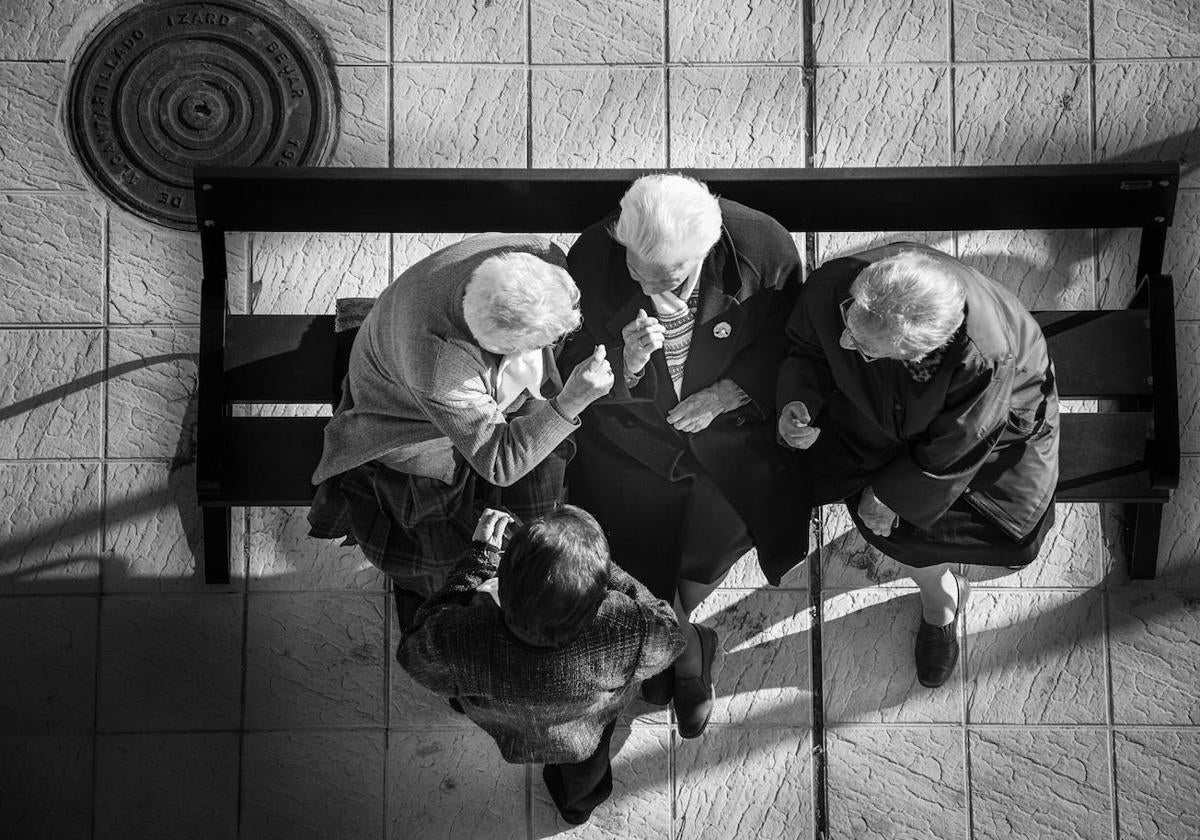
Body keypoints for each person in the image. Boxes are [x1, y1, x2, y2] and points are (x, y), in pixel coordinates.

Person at [559, 174, 805, 738]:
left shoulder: (761, 248)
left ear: (708, 249)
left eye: (667, 278)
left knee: (702, 557)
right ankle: (685, 647)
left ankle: (675, 636)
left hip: (732, 441)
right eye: (636, 271)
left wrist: (731, 392)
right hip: (632, 442)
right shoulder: (596, 255)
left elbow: (793, 343)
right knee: (632, 557)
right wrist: (629, 364)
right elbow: (572, 358)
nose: (648, 287)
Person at [777, 243, 1060, 686]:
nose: (846, 341)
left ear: (918, 356)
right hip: (886, 416)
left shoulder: (979, 354)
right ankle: (939, 590)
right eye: (849, 322)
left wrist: (894, 495)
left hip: (995, 434)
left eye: (865, 349)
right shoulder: (840, 288)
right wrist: (798, 398)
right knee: (801, 481)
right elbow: (807, 348)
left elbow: (965, 437)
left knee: (905, 524)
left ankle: (939, 602)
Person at [308, 234, 614, 629]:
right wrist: (570, 402)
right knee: (457, 550)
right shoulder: (443, 369)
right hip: (407, 431)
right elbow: (499, 462)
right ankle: (450, 605)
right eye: (548, 342)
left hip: (430, 369)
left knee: (540, 473)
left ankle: (527, 567)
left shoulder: (541, 255)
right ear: (503, 349)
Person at [397, 505, 686, 826]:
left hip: (502, 724)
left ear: (501, 586)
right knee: (586, 771)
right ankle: (576, 808)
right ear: (597, 597)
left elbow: (413, 651)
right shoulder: (625, 629)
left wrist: (476, 564)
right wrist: (601, 570)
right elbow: (670, 632)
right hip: (584, 732)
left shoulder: (460, 637)